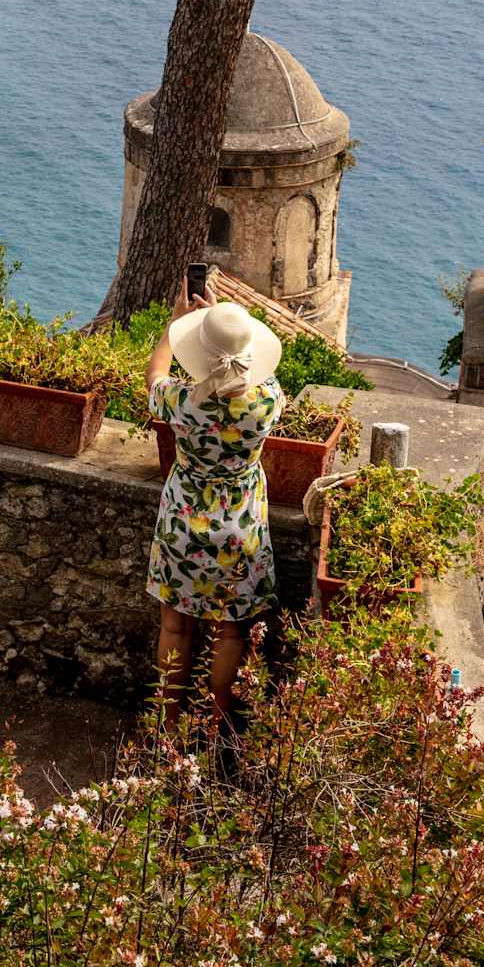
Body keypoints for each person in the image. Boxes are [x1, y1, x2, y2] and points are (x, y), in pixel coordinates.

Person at [145, 283, 283, 724]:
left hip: (182, 525)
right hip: (241, 527)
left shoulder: (183, 402)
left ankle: (168, 728)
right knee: (231, 633)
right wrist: (225, 327)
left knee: (175, 627)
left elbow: (155, 374)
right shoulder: (268, 401)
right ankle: (216, 728)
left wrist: (176, 326)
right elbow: (252, 371)